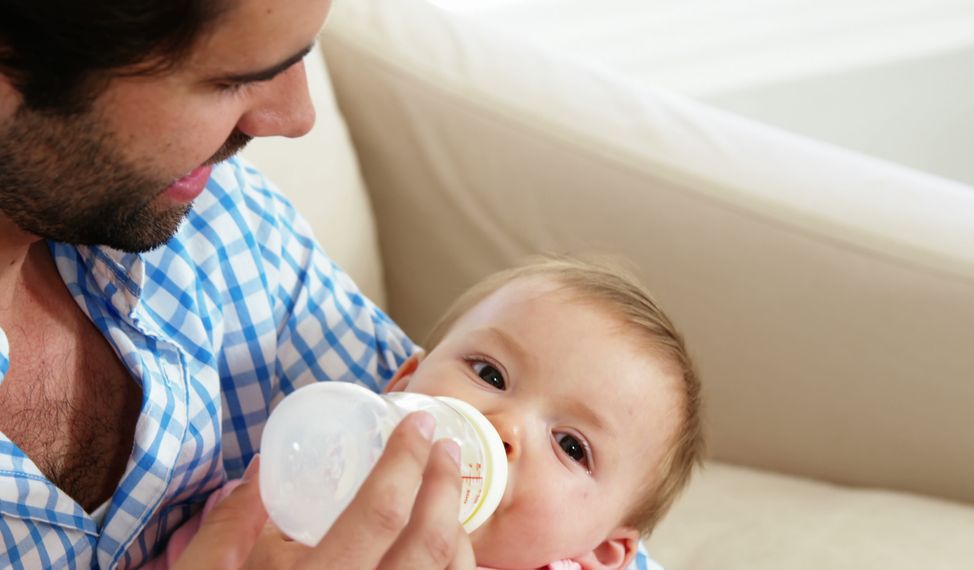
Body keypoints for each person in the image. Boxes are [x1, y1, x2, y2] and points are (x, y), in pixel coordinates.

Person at [0, 0, 670, 567]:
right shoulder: (274, 509)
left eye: (571, 446)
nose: (296, 116)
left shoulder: (209, 215)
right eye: (232, 78)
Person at [144, 258, 704, 570]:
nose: (504, 427)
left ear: (604, 554)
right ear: (403, 384)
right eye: (489, 374)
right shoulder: (289, 500)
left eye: (571, 446)